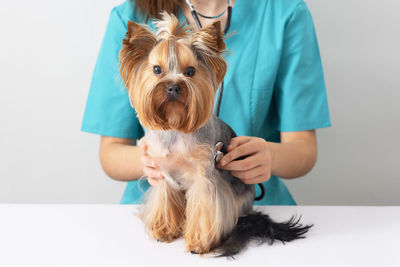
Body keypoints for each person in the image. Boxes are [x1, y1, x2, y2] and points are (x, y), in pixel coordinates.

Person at [81, 0, 331, 205]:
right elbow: (110, 154)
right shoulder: (130, 17)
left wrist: (269, 157)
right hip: (159, 205)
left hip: (246, 206)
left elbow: (304, 151)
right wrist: (155, 162)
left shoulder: (285, 13)